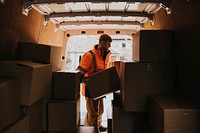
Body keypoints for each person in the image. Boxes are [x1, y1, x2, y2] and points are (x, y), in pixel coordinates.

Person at [77, 34, 112, 133]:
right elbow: (80, 71)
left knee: (100, 110)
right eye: (108, 44)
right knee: (93, 113)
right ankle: (93, 130)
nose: (109, 46)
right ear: (102, 43)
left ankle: (99, 125)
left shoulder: (107, 55)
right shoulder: (90, 55)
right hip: (90, 88)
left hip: (101, 88)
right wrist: (84, 78)